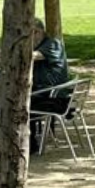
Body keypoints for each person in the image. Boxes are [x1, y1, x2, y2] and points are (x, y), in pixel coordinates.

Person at [28, 17, 71, 153]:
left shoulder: (52, 44)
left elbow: (33, 56)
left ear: (38, 32)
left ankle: (29, 144)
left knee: (18, 105)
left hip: (55, 98)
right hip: (44, 93)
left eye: (30, 34)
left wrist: (7, 52)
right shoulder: (40, 45)